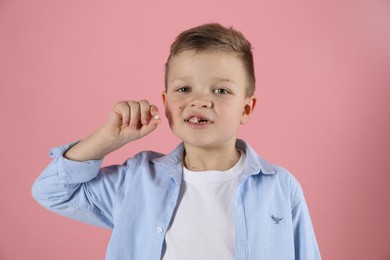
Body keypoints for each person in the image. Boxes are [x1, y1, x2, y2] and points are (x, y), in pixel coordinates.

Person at [32, 23, 321, 260]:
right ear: (166, 103)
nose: (200, 100)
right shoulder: (137, 180)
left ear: (246, 109)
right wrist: (107, 139)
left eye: (221, 90)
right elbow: (51, 191)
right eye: (184, 88)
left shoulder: (281, 188)